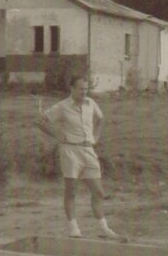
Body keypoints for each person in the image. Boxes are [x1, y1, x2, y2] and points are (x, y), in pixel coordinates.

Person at [38, 74, 122, 240]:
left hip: (88, 151)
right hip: (70, 151)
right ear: (72, 88)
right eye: (81, 89)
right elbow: (41, 121)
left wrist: (96, 138)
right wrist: (57, 135)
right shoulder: (62, 106)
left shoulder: (91, 103)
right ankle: (73, 228)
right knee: (71, 191)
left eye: (86, 88)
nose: (84, 92)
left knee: (98, 192)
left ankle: (103, 229)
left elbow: (101, 119)